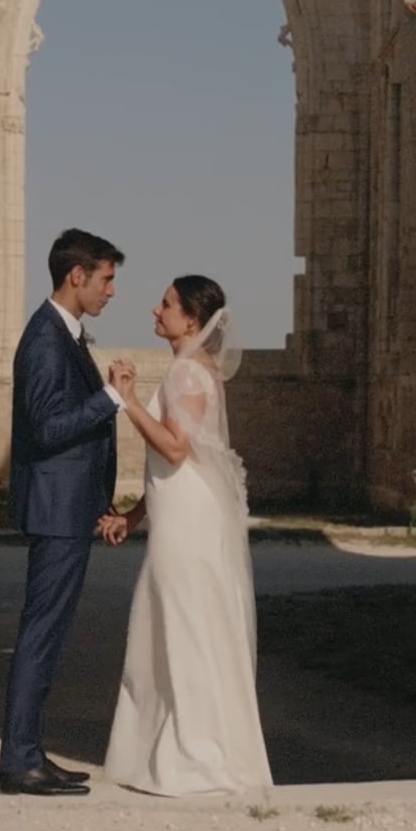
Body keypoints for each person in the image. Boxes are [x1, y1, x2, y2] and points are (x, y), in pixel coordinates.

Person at [99, 275, 273, 797]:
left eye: (167, 303)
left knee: (185, 626)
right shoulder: (196, 371)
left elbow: (174, 451)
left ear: (192, 321)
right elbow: (184, 465)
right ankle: (176, 748)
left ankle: (195, 756)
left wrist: (126, 401)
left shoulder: (185, 374)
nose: (156, 309)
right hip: (181, 513)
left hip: (189, 525)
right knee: (177, 624)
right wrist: (133, 517)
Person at [0, 228, 138, 797]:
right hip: (55, 511)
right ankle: (19, 762)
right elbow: (49, 427)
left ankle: (32, 753)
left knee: (49, 636)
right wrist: (110, 398)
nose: (112, 290)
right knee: (39, 635)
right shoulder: (45, 340)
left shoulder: (67, 335)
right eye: (106, 278)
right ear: (76, 276)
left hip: (71, 508)